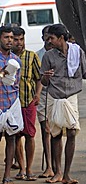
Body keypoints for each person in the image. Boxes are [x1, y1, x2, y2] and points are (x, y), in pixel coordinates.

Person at [40, 24, 86, 184]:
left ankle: (66, 175)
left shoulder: (77, 52)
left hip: (71, 97)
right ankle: (57, 172)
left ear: (61, 38)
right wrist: (46, 76)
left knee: (72, 133)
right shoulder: (48, 56)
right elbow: (44, 82)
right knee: (55, 134)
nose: (49, 41)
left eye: (51, 38)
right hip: (55, 97)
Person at [12, 27, 42, 181]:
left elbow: (39, 78)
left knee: (30, 135)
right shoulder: (6, 58)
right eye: (15, 40)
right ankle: (21, 168)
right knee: (15, 136)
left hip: (28, 101)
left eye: (21, 39)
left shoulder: (32, 56)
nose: (19, 43)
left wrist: (37, 95)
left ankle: (29, 169)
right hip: (11, 103)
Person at [0, 26, 23, 184]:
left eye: (11, 38)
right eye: (6, 37)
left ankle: (7, 175)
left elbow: (17, 83)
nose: (10, 41)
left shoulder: (16, 59)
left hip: (11, 101)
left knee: (11, 139)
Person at [36, 26, 54, 179]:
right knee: (46, 130)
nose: (49, 40)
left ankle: (56, 166)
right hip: (42, 97)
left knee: (57, 132)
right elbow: (38, 80)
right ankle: (49, 166)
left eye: (51, 37)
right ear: (42, 38)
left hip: (58, 96)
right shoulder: (38, 56)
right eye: (46, 37)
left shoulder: (60, 55)